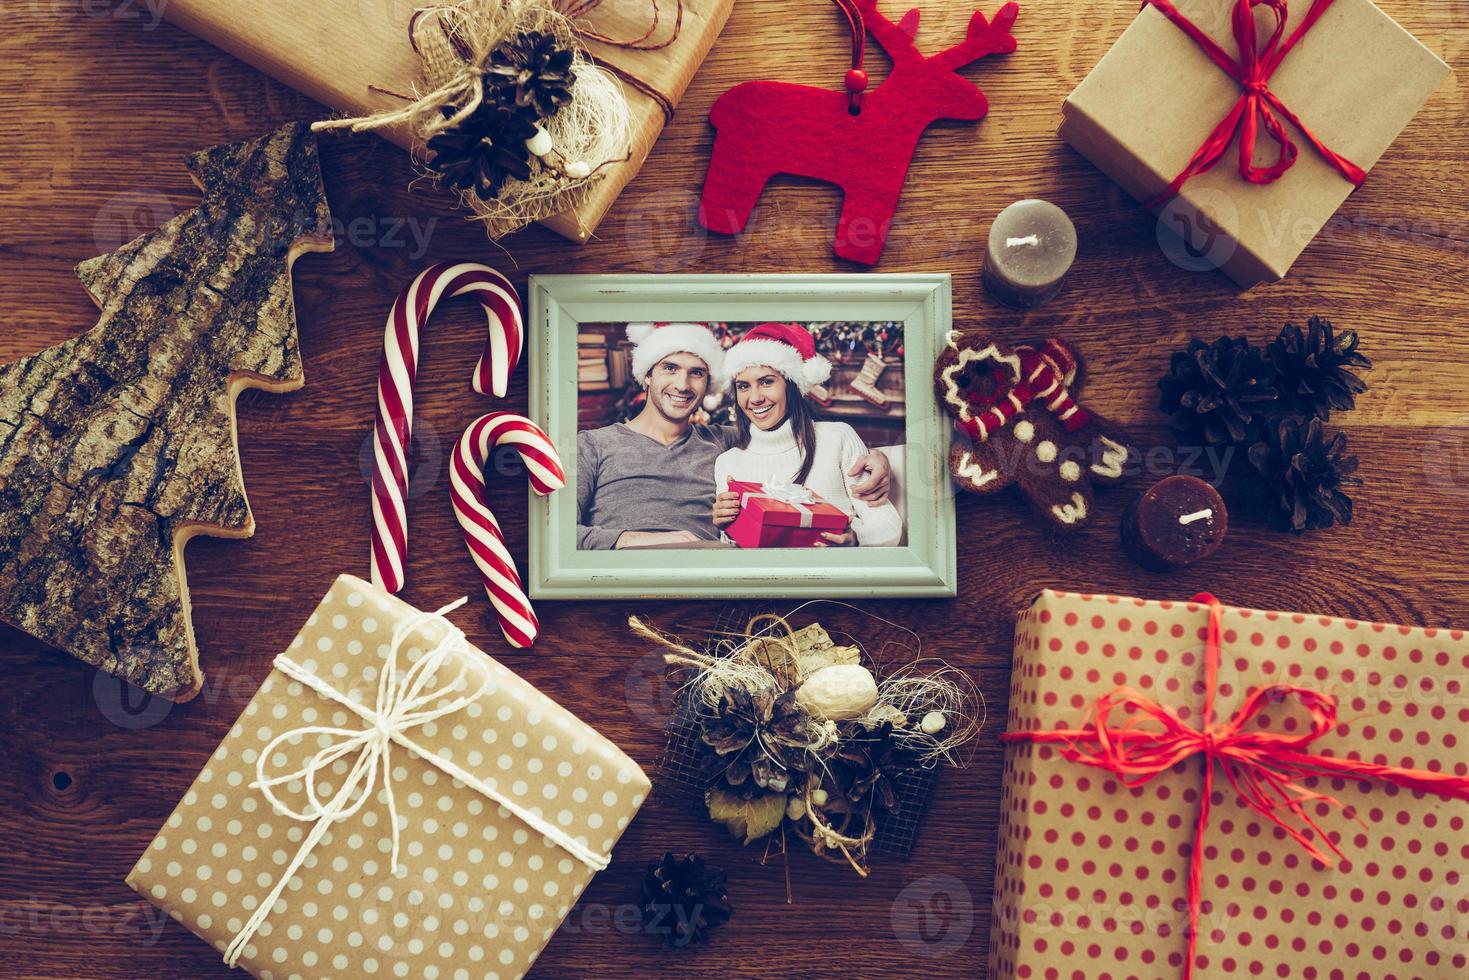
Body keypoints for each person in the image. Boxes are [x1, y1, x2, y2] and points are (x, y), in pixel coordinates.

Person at [577, 322, 893, 549]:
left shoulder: (726, 445)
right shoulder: (592, 445)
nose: (683, 385)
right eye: (670, 368)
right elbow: (552, 537)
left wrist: (880, 459)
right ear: (646, 375)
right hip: (619, 572)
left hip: (710, 575)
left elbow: (785, 442)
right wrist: (635, 540)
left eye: (696, 372)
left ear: (708, 383)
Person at [711, 322, 903, 547]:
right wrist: (727, 527)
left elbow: (887, 525)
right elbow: (736, 548)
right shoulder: (728, 462)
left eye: (766, 382)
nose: (754, 398)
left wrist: (856, 540)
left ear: (791, 386)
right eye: (743, 386)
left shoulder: (837, 438)